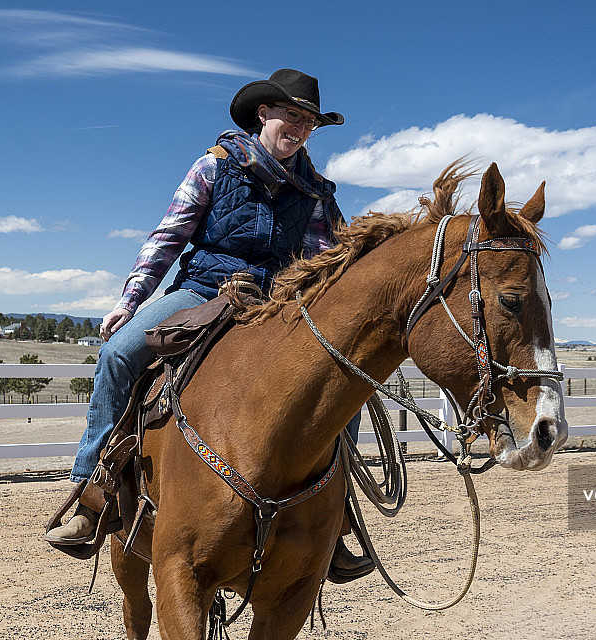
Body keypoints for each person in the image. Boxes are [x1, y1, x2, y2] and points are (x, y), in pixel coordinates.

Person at [45, 68, 373, 582]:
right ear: (263, 113)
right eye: (291, 115)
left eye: (308, 122)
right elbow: (168, 236)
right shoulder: (215, 166)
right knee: (119, 354)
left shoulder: (315, 192)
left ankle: (335, 519)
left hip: (277, 304)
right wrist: (131, 301)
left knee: (341, 382)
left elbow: (323, 258)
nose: (300, 128)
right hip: (204, 290)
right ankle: (93, 492)